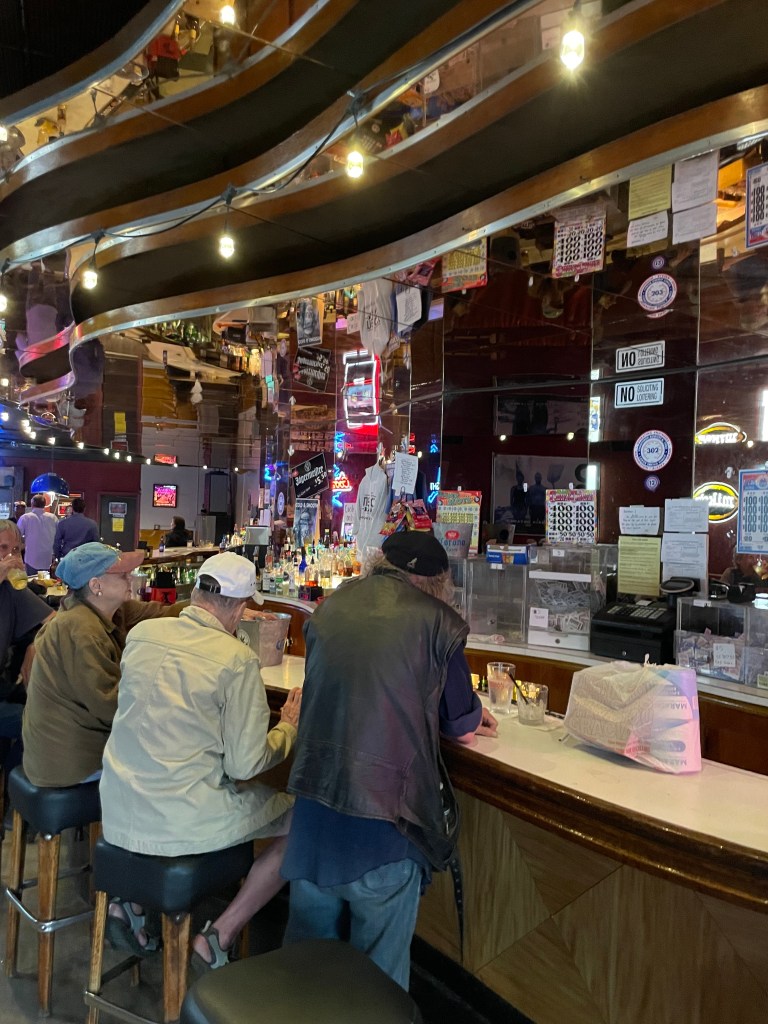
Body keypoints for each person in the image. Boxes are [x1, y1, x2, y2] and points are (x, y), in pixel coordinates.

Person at [282, 531, 497, 989]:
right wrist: (477, 713)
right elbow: (459, 725)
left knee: (302, 978)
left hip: (313, 823)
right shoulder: (438, 622)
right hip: (384, 829)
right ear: (437, 583)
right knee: (377, 988)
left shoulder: (330, 608)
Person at [99, 552, 301, 968]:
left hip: (116, 805)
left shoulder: (142, 634)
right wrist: (288, 727)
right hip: (178, 820)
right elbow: (245, 765)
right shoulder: (236, 659)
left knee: (169, 773)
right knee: (305, 823)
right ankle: (220, 936)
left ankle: (133, 905)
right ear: (240, 607)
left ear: (196, 594)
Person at [22, 543, 185, 789]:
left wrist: (217, 605)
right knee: (173, 771)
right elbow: (110, 705)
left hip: (74, 751)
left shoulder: (110, 611)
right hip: (69, 765)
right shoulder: (80, 629)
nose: (130, 578)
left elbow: (165, 613)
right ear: (96, 586)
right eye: (121, 575)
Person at [0, 520, 53, 784]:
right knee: (36, 723)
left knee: (45, 717)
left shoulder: (12, 588)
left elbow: (55, 622)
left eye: (17, 550)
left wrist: (37, 642)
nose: (11, 557)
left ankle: (11, 794)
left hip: (2, 689)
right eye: (3, 548)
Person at [17, 494, 57, 574]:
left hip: (31, 558)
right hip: (47, 558)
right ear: (45, 504)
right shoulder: (53, 518)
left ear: (32, 504)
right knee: (45, 583)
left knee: (31, 583)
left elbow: (16, 535)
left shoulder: (25, 518)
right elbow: (58, 536)